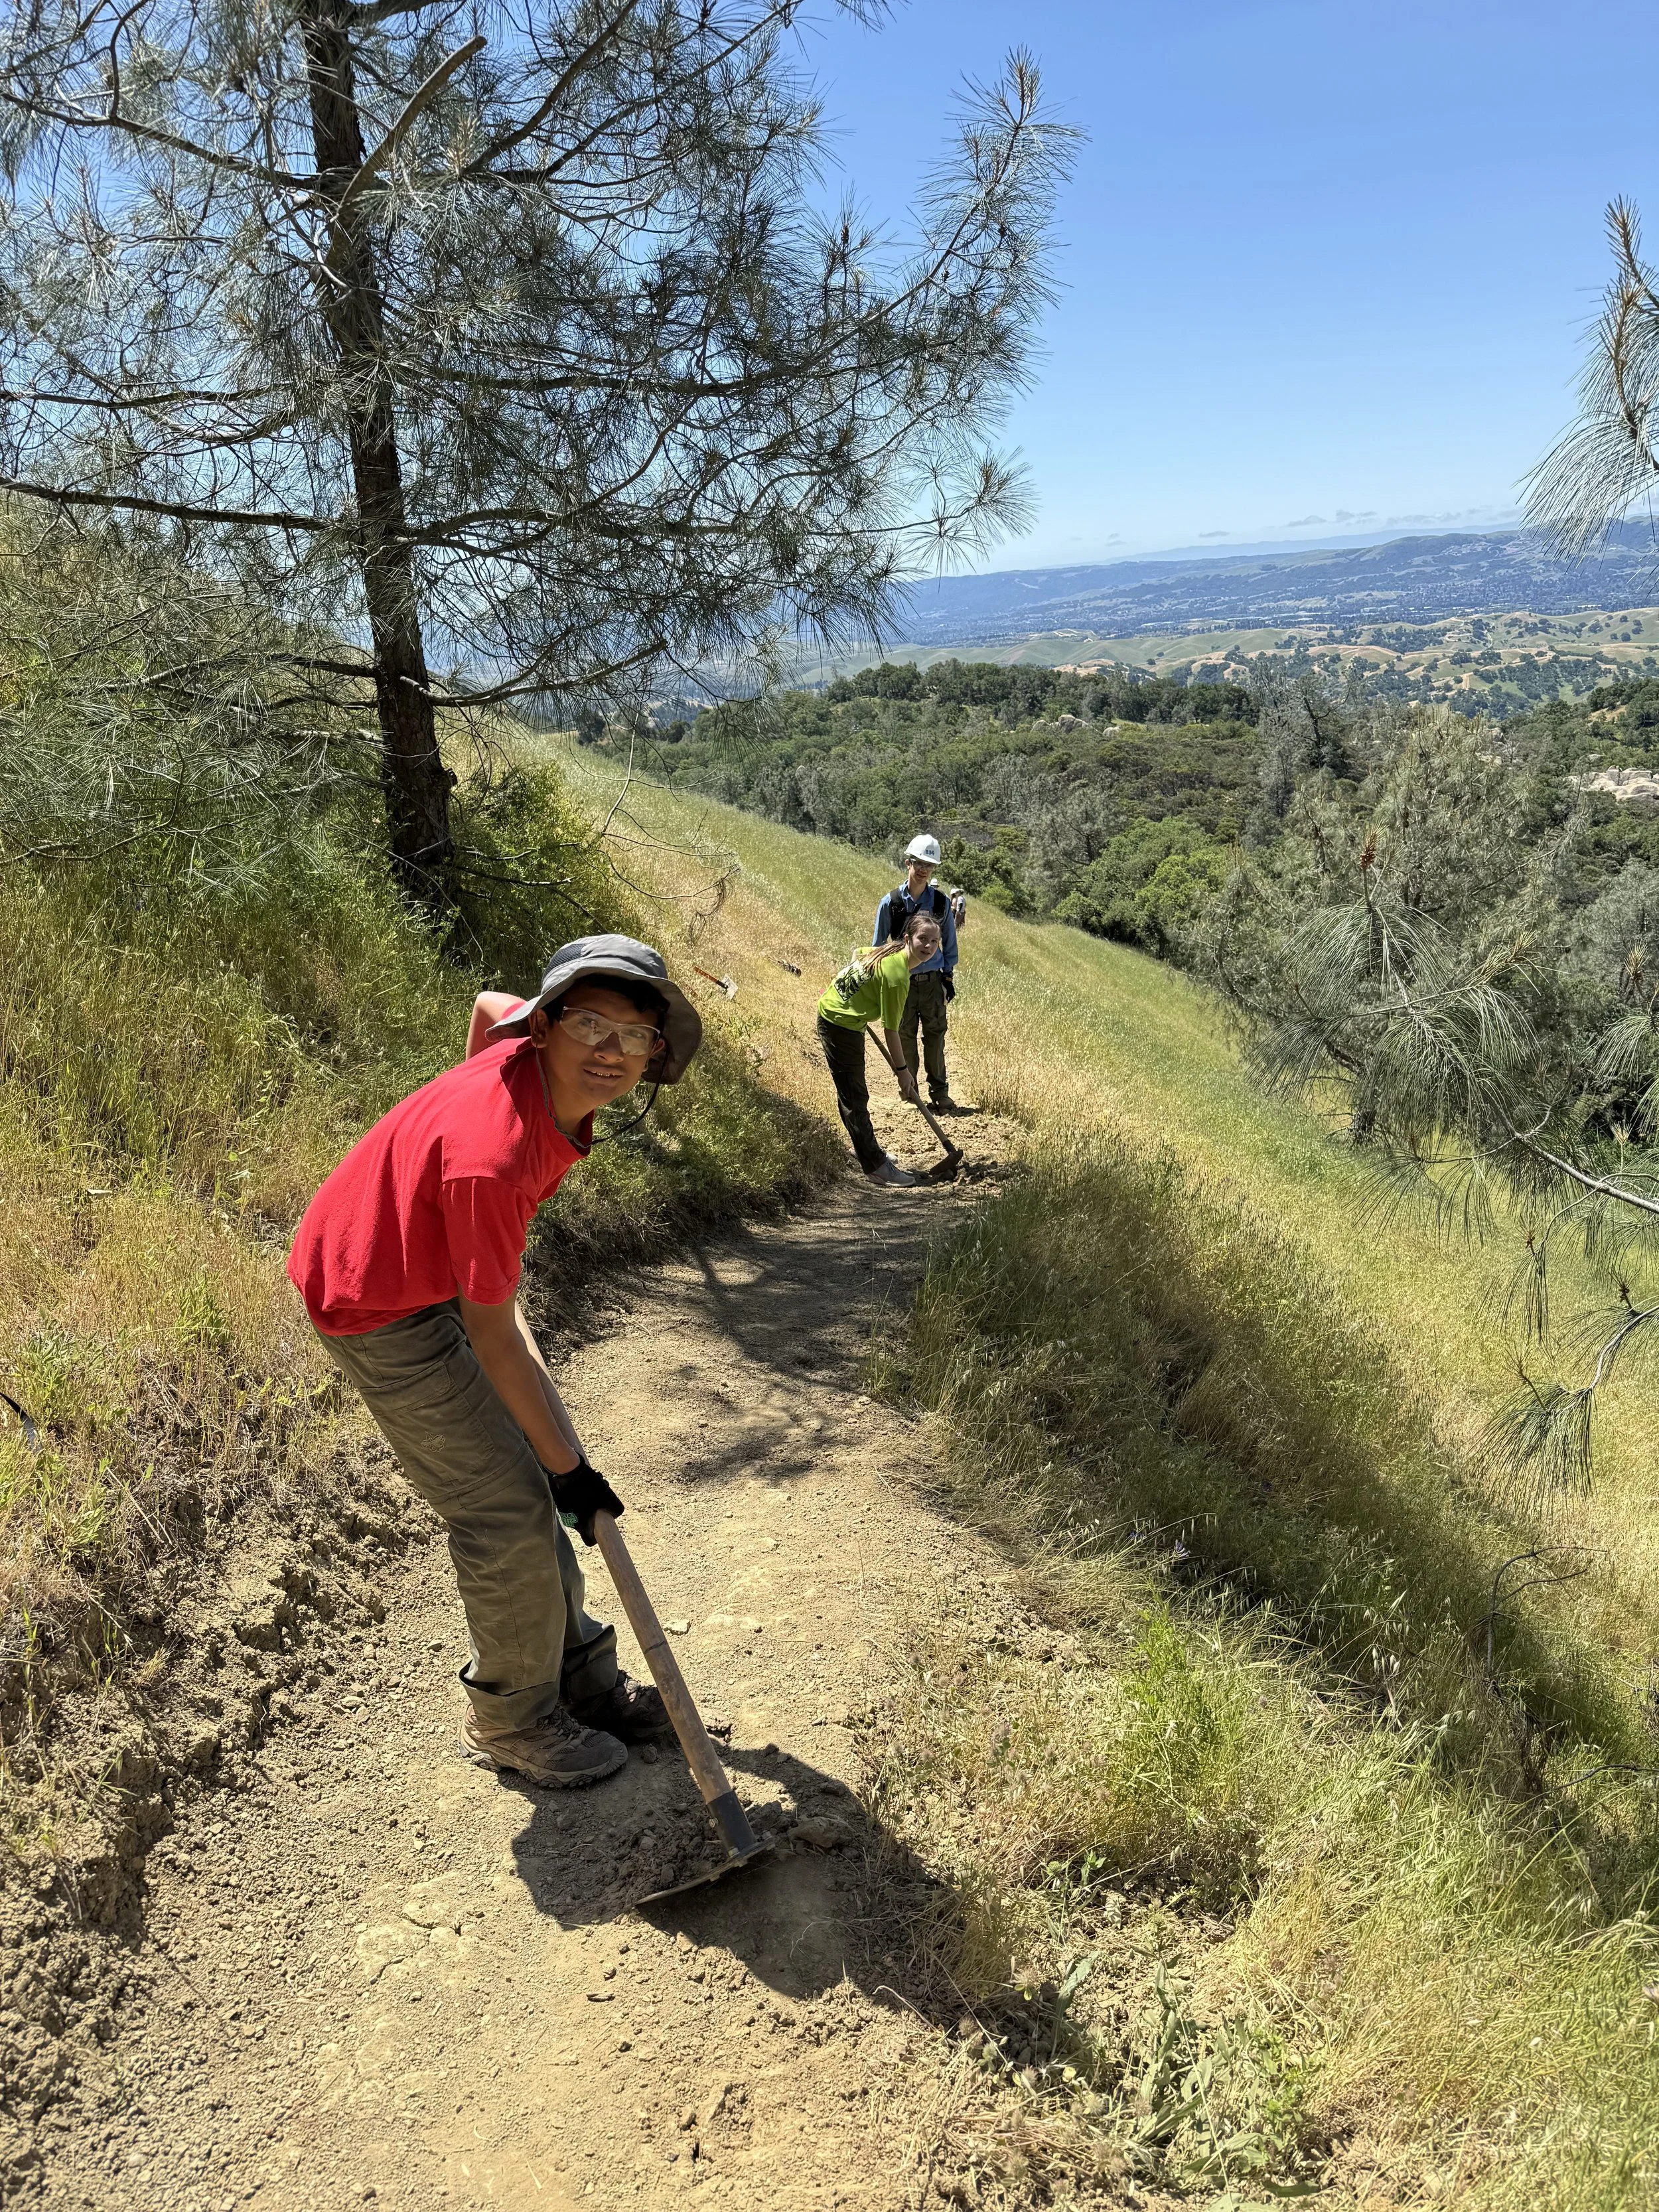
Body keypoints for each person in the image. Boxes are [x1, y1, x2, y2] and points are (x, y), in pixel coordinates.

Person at [287, 934, 703, 1791]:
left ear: (654, 1053)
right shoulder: (495, 1161)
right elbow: (494, 1332)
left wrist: (457, 1101)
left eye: (633, 1036)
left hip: (421, 1267)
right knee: (509, 1505)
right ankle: (514, 1716)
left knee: (536, 1479)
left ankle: (583, 1681)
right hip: (376, 1299)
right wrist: (571, 1472)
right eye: (589, 1025)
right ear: (548, 1025)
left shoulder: (522, 1043)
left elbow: (484, 1004)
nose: (609, 1051)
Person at [816, 908, 942, 1185]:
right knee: (855, 1097)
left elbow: (857, 953)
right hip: (840, 1024)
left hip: (839, 1015)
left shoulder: (887, 951)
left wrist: (857, 994)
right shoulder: (898, 977)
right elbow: (891, 1030)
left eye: (935, 942)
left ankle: (865, 1150)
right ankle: (875, 1166)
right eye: (923, 939)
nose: (929, 947)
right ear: (908, 938)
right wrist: (902, 1071)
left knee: (852, 1094)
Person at [874, 833, 964, 1114]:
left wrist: (947, 978)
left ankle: (940, 1092)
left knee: (936, 1036)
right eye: (918, 862)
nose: (924, 868)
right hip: (900, 980)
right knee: (905, 1036)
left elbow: (949, 943)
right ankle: (909, 1090)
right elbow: (878, 947)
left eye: (929, 864)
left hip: (932, 981)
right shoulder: (891, 903)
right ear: (908, 863)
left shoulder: (939, 903)